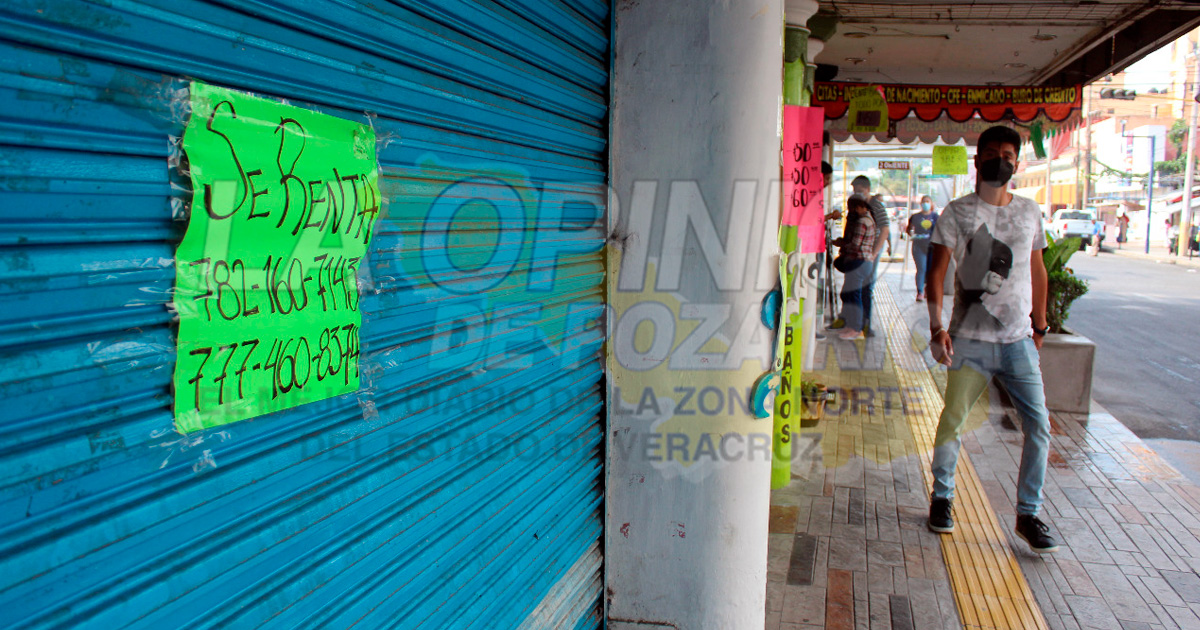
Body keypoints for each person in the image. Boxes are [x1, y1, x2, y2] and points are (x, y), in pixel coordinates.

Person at [924, 125, 1058, 554]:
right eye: (992, 152)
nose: (1000, 159)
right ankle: (942, 499)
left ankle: (1028, 514)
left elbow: (1038, 271)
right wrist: (936, 327)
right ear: (977, 159)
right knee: (953, 421)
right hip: (969, 339)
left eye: (1007, 153)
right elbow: (936, 274)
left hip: (1019, 341)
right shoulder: (957, 213)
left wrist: (1039, 328)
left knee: (1039, 425)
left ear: (1017, 162)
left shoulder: (1030, 212)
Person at [828, 175, 889, 335]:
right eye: (855, 190)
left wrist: (874, 253)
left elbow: (885, 229)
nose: (857, 193)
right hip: (854, 253)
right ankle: (848, 320)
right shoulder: (855, 204)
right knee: (850, 288)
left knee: (865, 288)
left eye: (860, 190)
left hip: (867, 252)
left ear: (868, 189)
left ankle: (864, 325)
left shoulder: (875, 205)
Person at [831, 195, 876, 340]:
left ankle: (856, 329)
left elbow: (855, 244)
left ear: (859, 207)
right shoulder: (869, 220)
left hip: (858, 262)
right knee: (849, 294)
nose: (852, 211)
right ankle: (851, 326)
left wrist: (841, 244)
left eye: (853, 208)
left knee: (854, 296)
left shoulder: (862, 222)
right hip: (864, 263)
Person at [906, 195, 939, 301]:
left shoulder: (935, 217)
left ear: (931, 204)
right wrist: (913, 235)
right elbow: (909, 229)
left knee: (931, 270)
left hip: (932, 247)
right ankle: (920, 291)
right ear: (921, 204)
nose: (925, 204)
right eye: (924, 202)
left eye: (928, 202)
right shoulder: (915, 217)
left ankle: (927, 289)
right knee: (921, 268)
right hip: (919, 246)